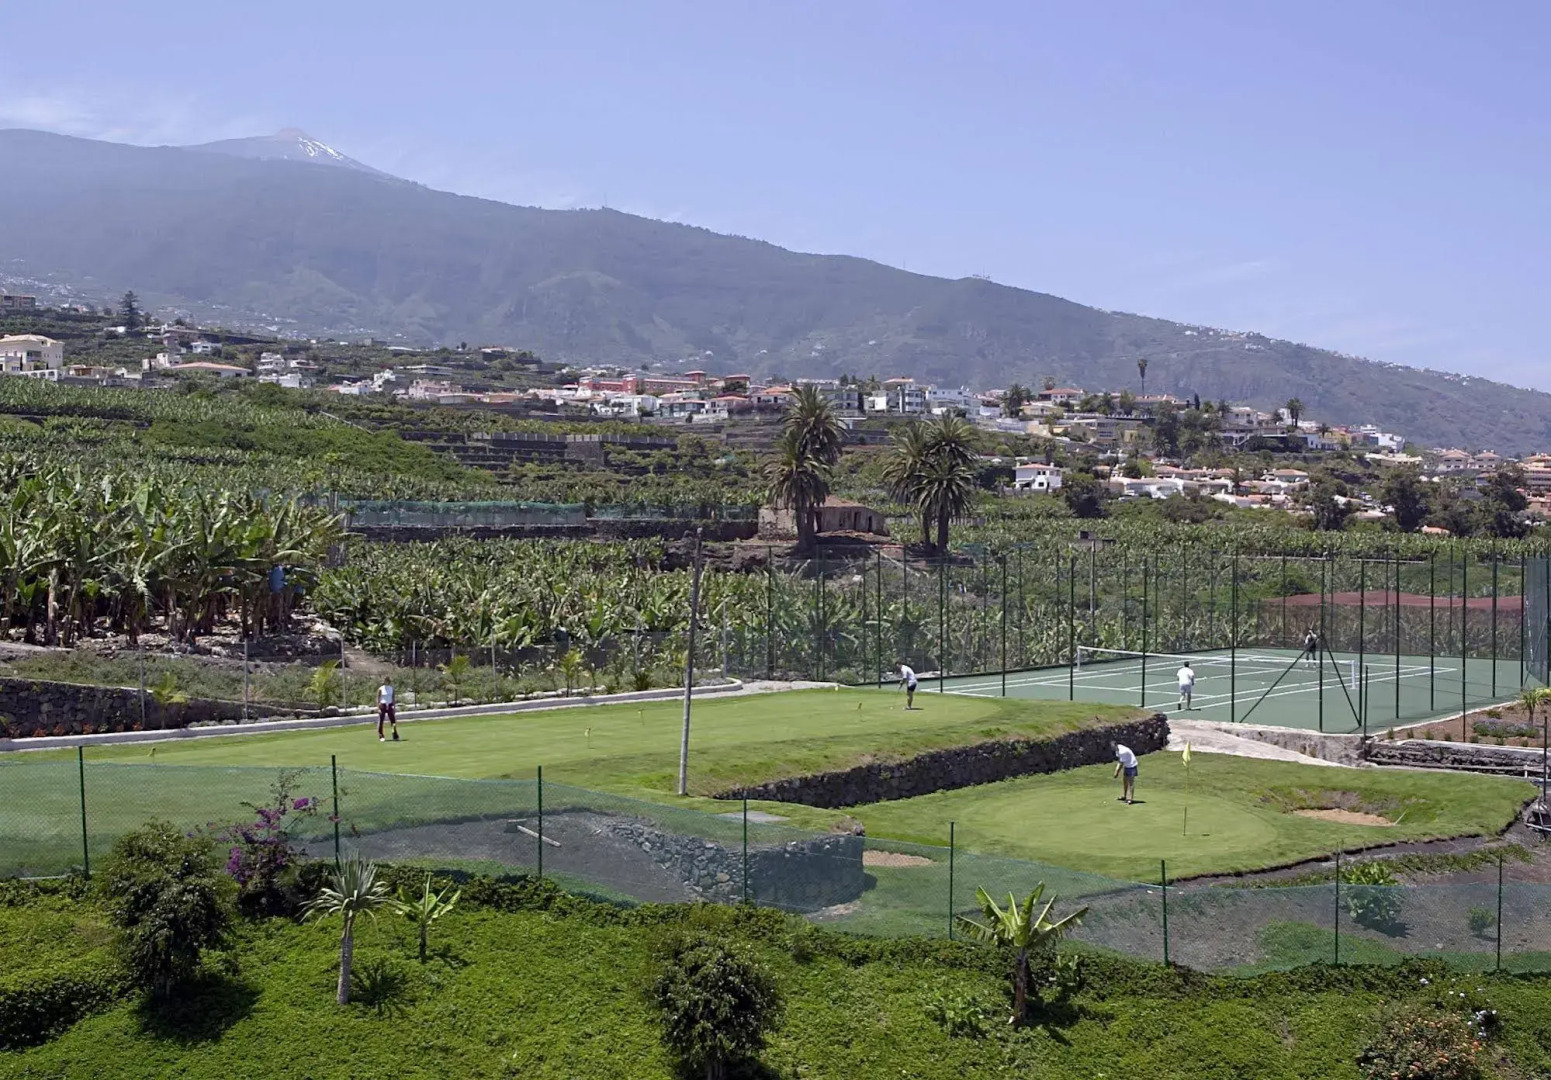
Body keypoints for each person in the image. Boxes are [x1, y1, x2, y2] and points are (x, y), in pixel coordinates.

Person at [377, 676, 399, 742]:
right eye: (384, 680)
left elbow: (393, 698)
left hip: (389, 705)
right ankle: (381, 735)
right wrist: (378, 708)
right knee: (381, 721)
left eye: (387, 680)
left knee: (393, 722)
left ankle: (395, 735)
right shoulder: (380, 689)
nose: (385, 681)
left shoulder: (391, 688)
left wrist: (394, 707)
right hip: (383, 705)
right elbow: (378, 699)